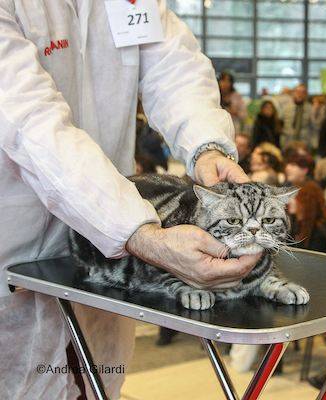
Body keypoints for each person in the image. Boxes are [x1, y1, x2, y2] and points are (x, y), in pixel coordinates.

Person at [0, 3, 263, 399]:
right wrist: (139, 231)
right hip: (15, 247)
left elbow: (173, 66)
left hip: (104, 257)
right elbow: (30, 124)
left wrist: (207, 146)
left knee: (98, 381)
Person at [288, 181, 326, 254]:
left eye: (294, 197)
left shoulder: (319, 232)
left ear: (306, 202)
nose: (289, 201)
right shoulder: (296, 223)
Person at [280, 83, 313, 150]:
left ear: (306, 95)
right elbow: (279, 124)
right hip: (287, 143)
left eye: (303, 92)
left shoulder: (311, 109)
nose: (300, 94)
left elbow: (313, 128)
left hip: (304, 144)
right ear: (293, 93)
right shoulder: (285, 108)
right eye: (297, 92)